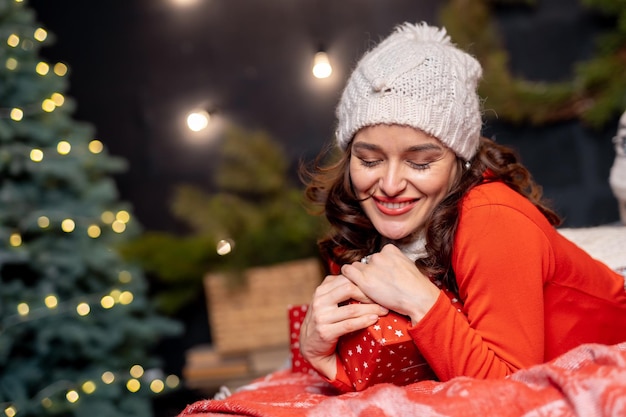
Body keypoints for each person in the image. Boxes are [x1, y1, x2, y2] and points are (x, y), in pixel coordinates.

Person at [298, 22, 626, 391]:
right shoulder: (360, 225)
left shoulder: (491, 219)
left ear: (460, 160)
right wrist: (320, 354)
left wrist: (421, 300)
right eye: (369, 160)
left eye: (420, 162)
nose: (389, 186)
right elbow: (401, 373)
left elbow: (509, 392)